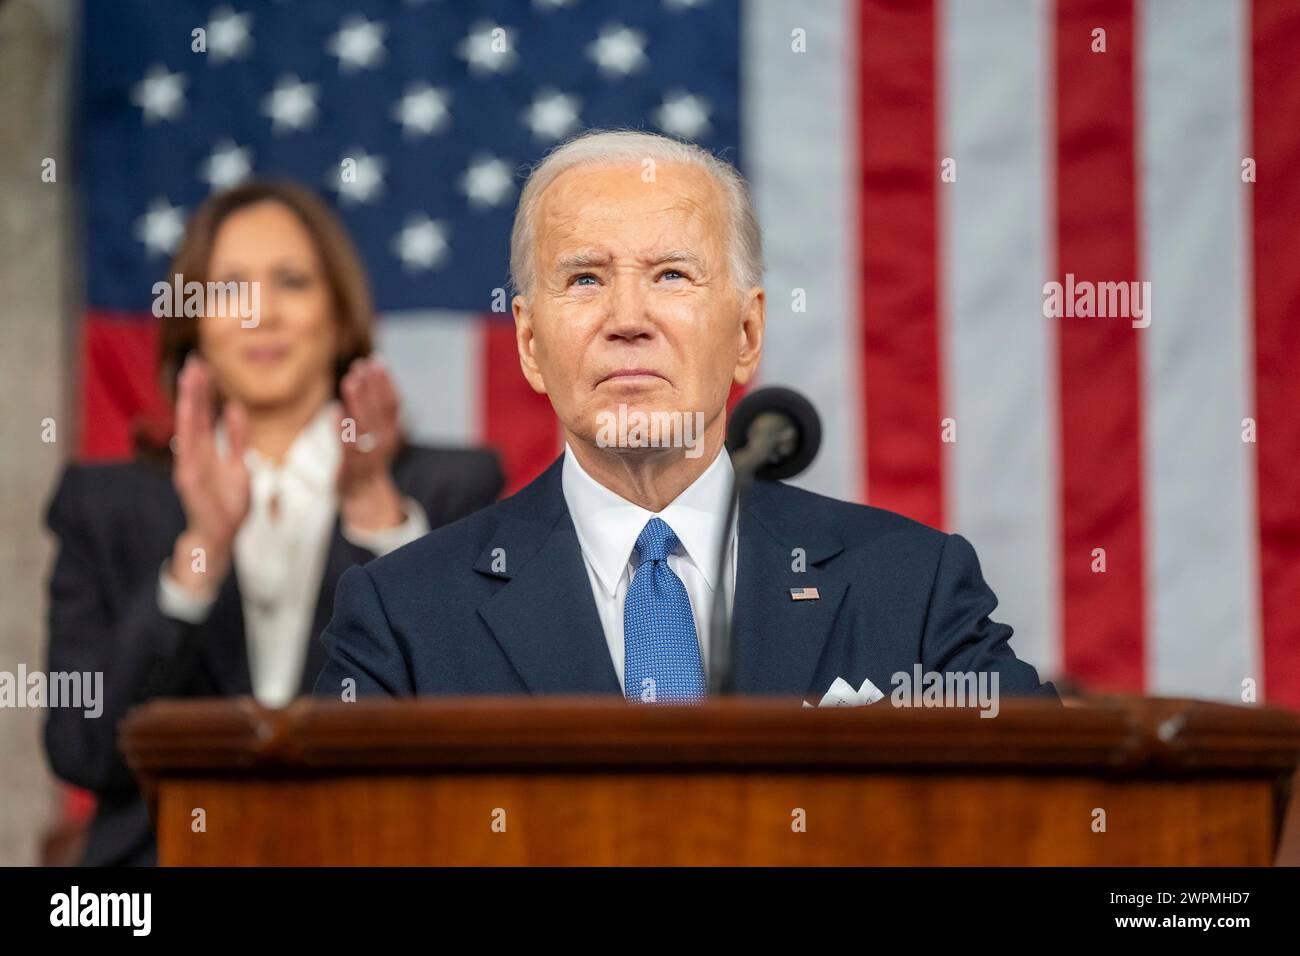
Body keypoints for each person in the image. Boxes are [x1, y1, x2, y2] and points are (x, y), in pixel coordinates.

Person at [314, 130, 1054, 704]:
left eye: (671, 274)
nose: (627, 318)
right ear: (531, 345)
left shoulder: (910, 586)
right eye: (584, 279)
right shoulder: (403, 617)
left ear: (747, 335)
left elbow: (1056, 803)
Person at [44, 181, 504, 865]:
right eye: (229, 288)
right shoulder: (104, 505)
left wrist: (382, 524)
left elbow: (479, 735)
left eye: (291, 281)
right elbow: (83, 750)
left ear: (338, 313)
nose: (262, 313)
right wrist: (198, 557)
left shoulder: (451, 489)